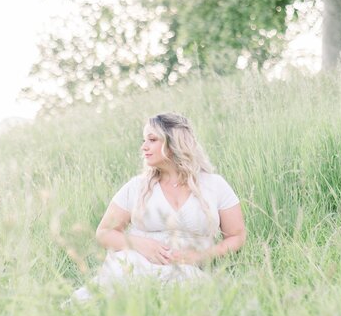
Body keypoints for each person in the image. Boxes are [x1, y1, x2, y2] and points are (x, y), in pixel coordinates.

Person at [73, 112, 246, 300]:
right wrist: (141, 245)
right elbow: (104, 233)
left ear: (174, 144)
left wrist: (200, 256)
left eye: (152, 139)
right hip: (134, 263)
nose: (143, 147)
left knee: (192, 294)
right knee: (111, 297)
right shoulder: (136, 187)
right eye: (144, 140)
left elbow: (236, 236)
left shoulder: (214, 185)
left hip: (187, 270)